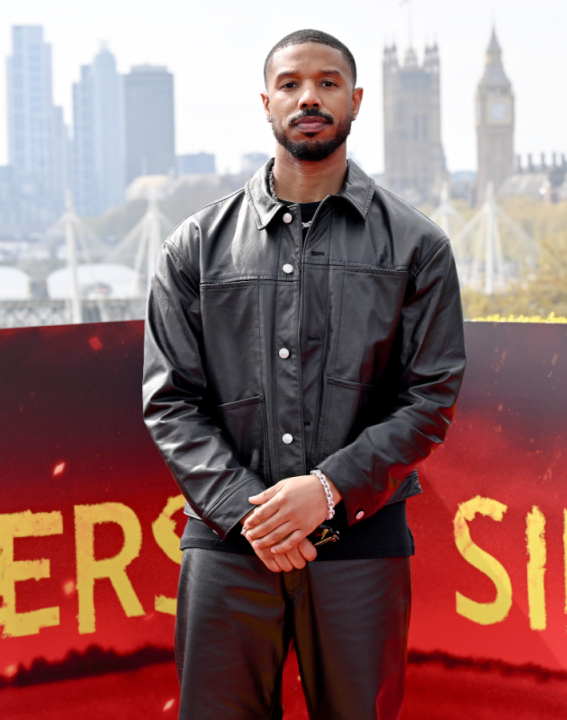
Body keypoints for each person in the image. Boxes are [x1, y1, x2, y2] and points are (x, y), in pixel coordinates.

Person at [142, 28, 465, 720]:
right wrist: (250, 514)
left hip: (360, 544)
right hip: (227, 547)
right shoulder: (194, 248)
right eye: (290, 84)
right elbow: (170, 400)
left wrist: (328, 490)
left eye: (326, 83)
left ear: (356, 100)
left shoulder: (418, 246)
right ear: (266, 102)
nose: (308, 98)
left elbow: (430, 400)